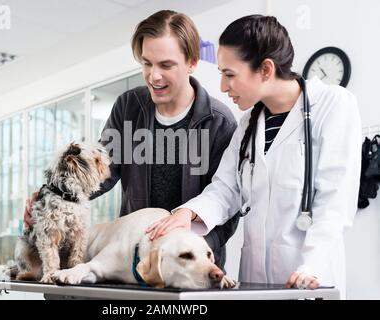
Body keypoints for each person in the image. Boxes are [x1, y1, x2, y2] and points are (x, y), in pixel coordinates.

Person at [147, 14, 361, 298]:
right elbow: (225, 189)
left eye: (230, 74)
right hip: (255, 282)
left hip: (310, 278)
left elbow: (334, 203)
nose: (223, 86)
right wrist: (189, 212)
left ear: (265, 69)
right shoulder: (249, 123)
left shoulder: (333, 105)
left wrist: (313, 266)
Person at [24, 10, 239, 270]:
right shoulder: (128, 107)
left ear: (192, 62)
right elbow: (100, 173)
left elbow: (227, 204)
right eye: (147, 63)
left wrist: (188, 249)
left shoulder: (219, 123)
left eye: (165, 65)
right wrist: (53, 198)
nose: (153, 76)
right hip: (133, 262)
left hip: (191, 269)